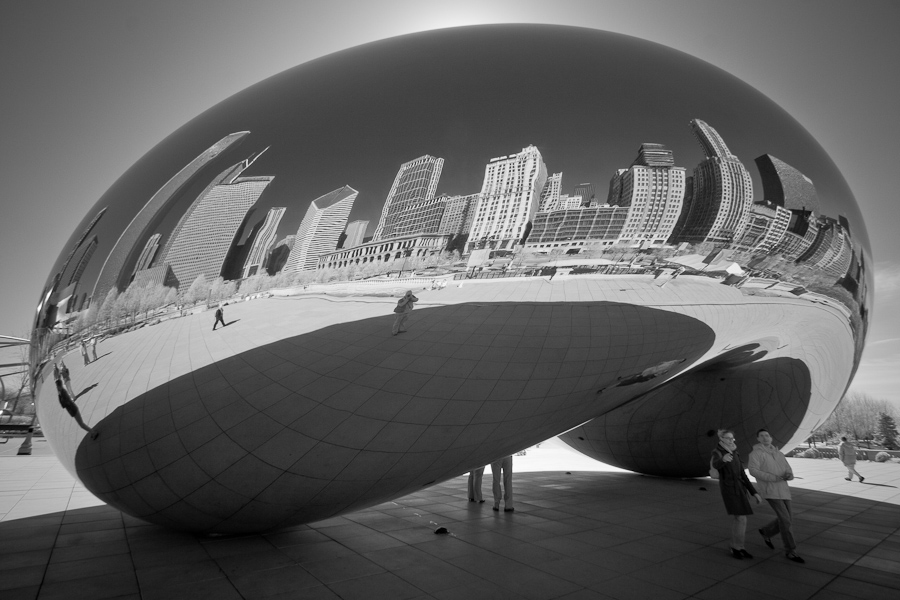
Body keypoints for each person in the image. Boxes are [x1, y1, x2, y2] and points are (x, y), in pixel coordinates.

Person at [749, 428, 805, 563]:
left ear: (771, 438)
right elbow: (753, 471)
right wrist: (773, 478)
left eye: (767, 435)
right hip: (771, 490)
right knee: (786, 520)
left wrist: (789, 475)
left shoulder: (779, 453)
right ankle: (791, 551)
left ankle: (766, 532)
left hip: (784, 490)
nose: (765, 438)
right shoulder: (755, 454)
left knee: (787, 519)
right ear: (758, 439)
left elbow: (788, 468)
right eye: (761, 436)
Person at [711, 429, 762, 559]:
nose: (730, 440)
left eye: (732, 438)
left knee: (740, 519)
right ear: (721, 439)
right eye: (727, 438)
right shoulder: (718, 452)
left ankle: (738, 546)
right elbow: (716, 465)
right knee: (740, 518)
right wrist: (723, 460)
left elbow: (742, 474)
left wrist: (754, 492)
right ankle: (737, 547)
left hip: (740, 488)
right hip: (729, 489)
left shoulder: (734, 452)